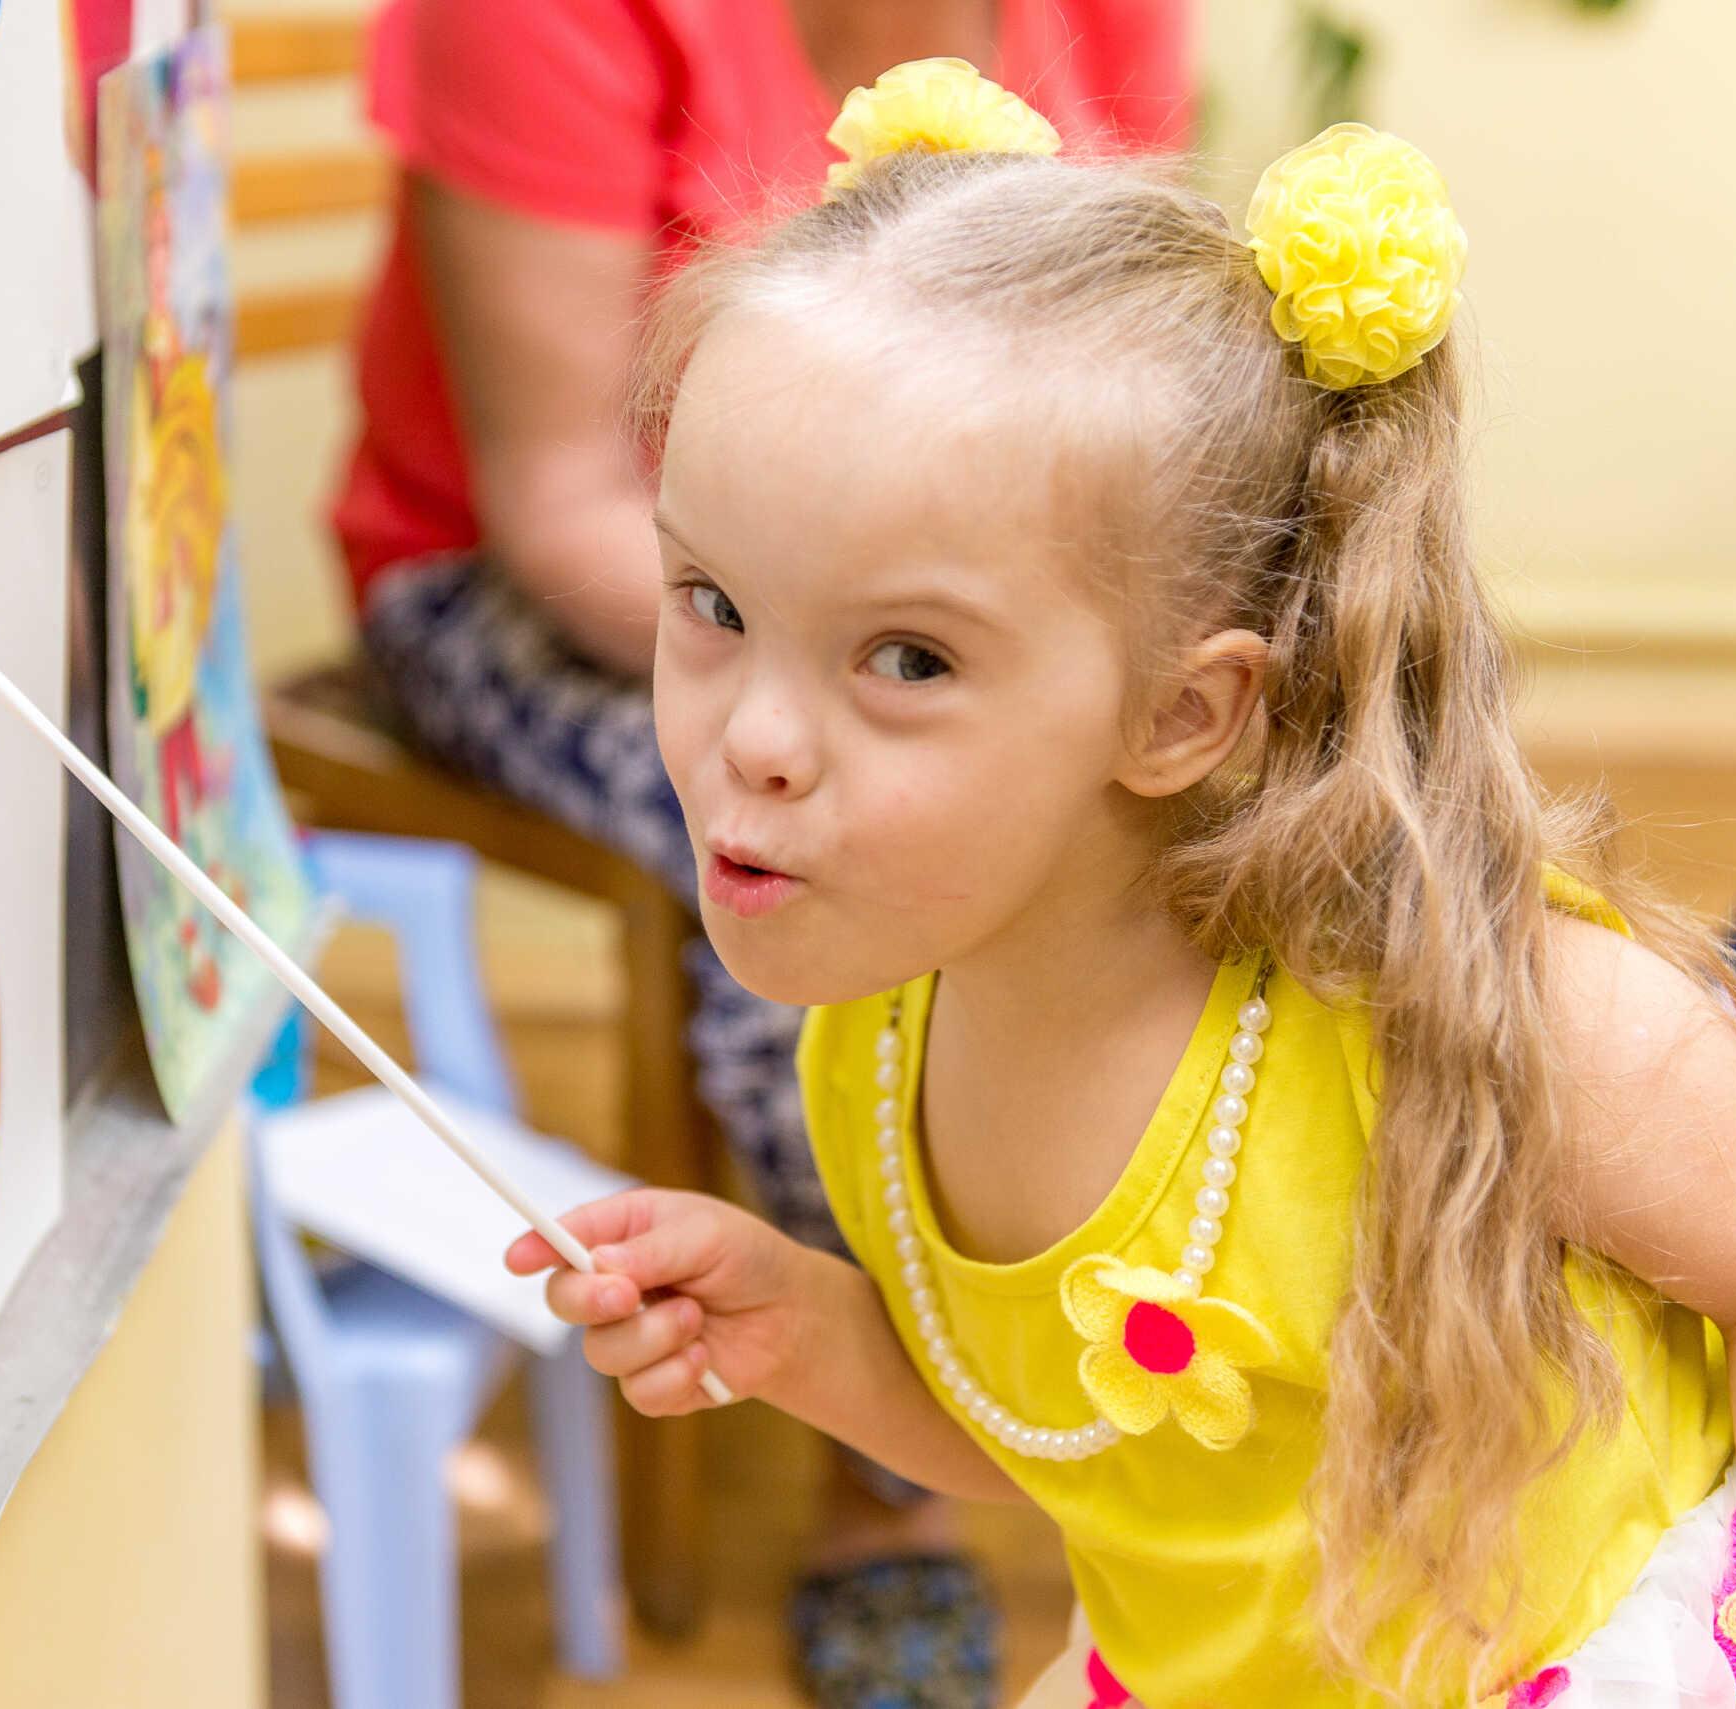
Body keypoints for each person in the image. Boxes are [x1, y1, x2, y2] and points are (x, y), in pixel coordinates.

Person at [507, 66, 1736, 1706]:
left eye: (905, 657)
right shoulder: (879, 1038)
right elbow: (1100, 1444)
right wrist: (816, 1337)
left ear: (1185, 710)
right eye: (709, 600)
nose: (752, 738)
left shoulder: (1468, 1012)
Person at [336, 4, 1188, 1701]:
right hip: (537, 579)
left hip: (905, 593)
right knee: (812, 833)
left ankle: (1128, 1328)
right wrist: (858, 683)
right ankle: (894, 1490)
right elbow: (565, 492)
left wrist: (983, 672)